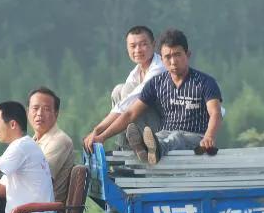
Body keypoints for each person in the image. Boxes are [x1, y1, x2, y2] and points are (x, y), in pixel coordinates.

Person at [88, 28, 222, 164]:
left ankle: (153, 151)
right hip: (165, 133)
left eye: (177, 55)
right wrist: (102, 137)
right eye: (168, 57)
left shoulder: (205, 82)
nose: (173, 62)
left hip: (195, 137)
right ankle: (142, 149)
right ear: (162, 58)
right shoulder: (157, 83)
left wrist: (209, 136)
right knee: (156, 136)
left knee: (177, 137)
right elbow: (130, 113)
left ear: (188, 55)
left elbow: (215, 113)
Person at [0, 87, 74, 213]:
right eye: (35, 108)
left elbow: (39, 179)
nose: (39, 114)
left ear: (56, 113)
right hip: (26, 201)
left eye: (47, 109)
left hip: (41, 211)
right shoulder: (31, 142)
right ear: (28, 112)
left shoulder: (59, 141)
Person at [83, 25, 165, 153]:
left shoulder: (159, 68)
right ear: (127, 49)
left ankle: (129, 147)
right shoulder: (136, 71)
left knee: (127, 92)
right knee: (118, 90)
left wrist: (101, 135)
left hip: (161, 129)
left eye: (143, 44)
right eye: (133, 46)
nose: (138, 50)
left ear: (153, 45)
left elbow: (129, 109)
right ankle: (124, 145)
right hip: (144, 124)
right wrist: (97, 130)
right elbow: (121, 106)